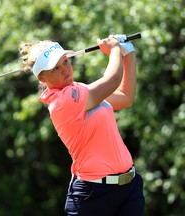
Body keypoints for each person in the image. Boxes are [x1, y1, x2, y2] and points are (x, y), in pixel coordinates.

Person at [19, 34, 145, 216]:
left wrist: (129, 52)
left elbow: (126, 97)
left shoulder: (80, 89)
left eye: (65, 62)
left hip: (129, 188)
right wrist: (115, 49)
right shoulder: (63, 101)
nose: (65, 70)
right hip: (93, 197)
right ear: (42, 79)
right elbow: (112, 81)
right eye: (55, 68)